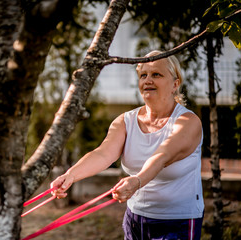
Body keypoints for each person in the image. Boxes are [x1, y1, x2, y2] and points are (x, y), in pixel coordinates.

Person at [51, 50, 204, 240]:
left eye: (156, 74)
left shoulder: (188, 122)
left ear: (175, 84)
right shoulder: (125, 121)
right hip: (136, 219)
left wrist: (137, 181)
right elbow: (103, 154)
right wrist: (70, 176)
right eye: (143, 75)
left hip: (177, 221)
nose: (148, 80)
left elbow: (162, 156)